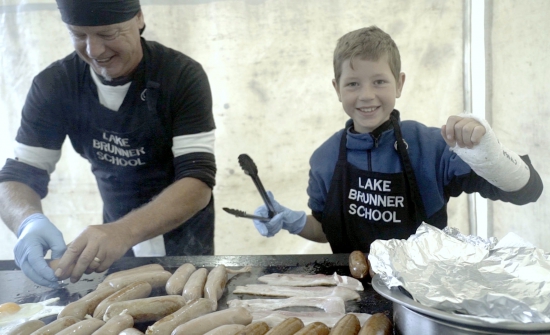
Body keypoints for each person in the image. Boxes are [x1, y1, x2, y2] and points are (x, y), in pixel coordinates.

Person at [252, 26, 543, 254]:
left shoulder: (432, 148)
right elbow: (326, 230)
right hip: (351, 301)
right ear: (336, 89)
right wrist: (294, 221)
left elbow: (527, 190)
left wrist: (487, 154)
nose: (366, 95)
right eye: (353, 84)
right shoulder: (324, 159)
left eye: (379, 81)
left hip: (422, 303)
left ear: (399, 84)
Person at [0, 0, 216, 288]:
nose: (94, 50)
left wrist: (125, 231)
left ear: (139, 18)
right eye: (79, 35)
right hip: (114, 229)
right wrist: (27, 222)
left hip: (183, 233)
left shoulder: (181, 76)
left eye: (108, 34)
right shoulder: (55, 84)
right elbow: (19, 174)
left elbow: (198, 180)